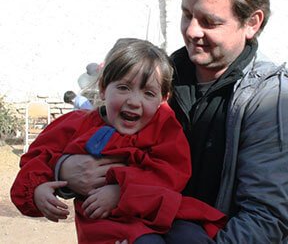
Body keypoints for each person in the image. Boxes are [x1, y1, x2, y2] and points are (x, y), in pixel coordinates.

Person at [52, 0, 288, 243]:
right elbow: (96, 140)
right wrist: (64, 168)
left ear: (252, 23)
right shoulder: (158, 77)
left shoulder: (271, 100)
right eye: (187, 15)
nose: (192, 31)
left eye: (209, 22)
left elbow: (266, 218)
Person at [10, 38, 226, 244]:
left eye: (148, 93)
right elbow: (38, 158)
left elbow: (172, 174)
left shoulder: (163, 127)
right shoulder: (75, 125)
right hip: (109, 222)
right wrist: (38, 189)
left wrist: (122, 192)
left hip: (158, 210)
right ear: (103, 88)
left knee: (193, 237)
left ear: (163, 98)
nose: (134, 101)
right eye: (123, 87)